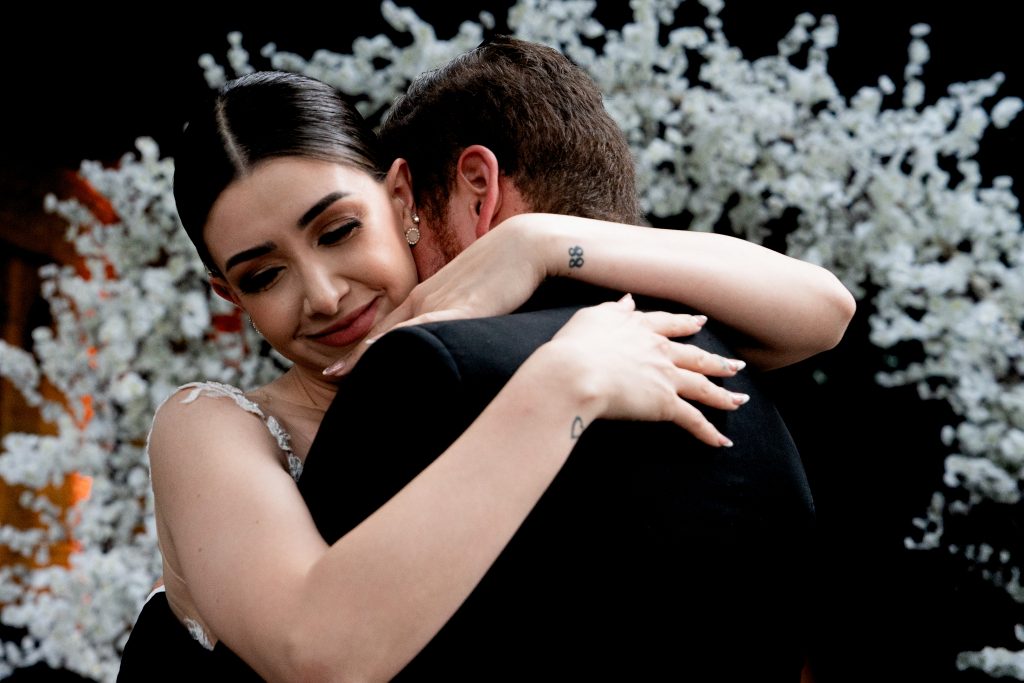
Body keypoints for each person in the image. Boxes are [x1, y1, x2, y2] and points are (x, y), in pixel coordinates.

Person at [117, 51, 852, 683]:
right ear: (227, 292)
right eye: (262, 276)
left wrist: (536, 241)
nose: (322, 293)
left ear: (400, 197)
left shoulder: (457, 372)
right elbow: (313, 652)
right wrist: (568, 380)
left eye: (339, 231)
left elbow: (822, 309)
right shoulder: (210, 428)